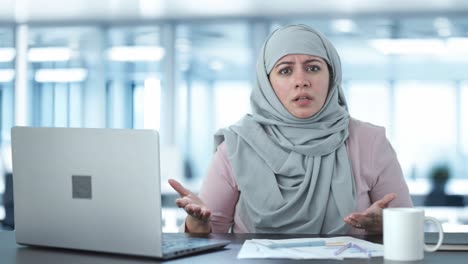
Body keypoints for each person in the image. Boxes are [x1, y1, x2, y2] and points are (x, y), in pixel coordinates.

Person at [169, 24, 412, 235]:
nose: (301, 80)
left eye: (313, 68)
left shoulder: (369, 141)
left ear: (332, 76)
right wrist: (197, 225)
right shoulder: (236, 145)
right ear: (267, 83)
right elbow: (212, 232)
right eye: (285, 70)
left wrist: (385, 226)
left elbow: (409, 228)